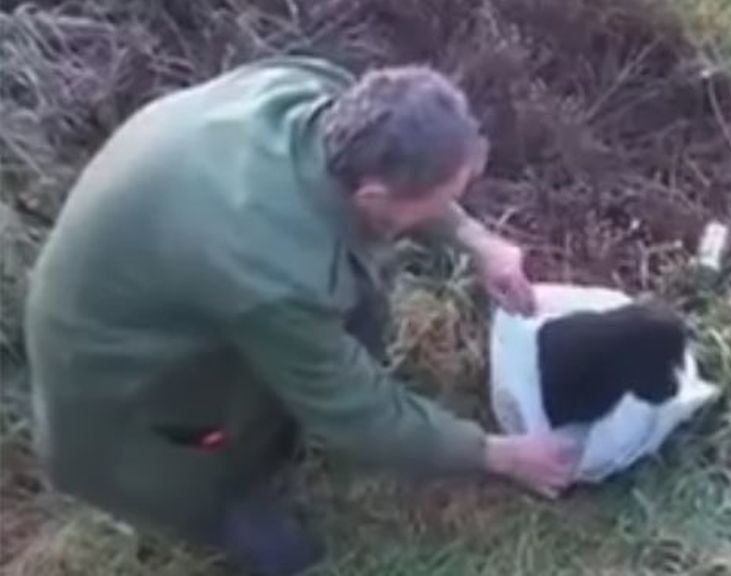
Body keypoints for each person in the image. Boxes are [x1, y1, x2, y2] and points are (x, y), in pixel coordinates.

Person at [24, 56, 577, 576]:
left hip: (170, 274)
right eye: (442, 199)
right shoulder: (270, 273)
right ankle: (227, 507)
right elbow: (355, 411)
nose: (448, 207)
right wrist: (498, 455)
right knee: (274, 541)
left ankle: (273, 419)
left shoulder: (314, 94)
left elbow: (404, 189)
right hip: (124, 399)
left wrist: (476, 242)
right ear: (374, 196)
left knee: (325, 336)